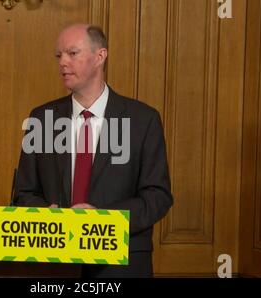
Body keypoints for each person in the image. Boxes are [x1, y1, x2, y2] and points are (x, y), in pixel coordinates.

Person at [13, 24, 173, 278]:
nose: (63, 62)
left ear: (100, 56)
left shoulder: (144, 119)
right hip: (54, 264)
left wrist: (102, 220)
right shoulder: (41, 118)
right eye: (59, 56)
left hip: (121, 266)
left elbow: (157, 196)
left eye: (72, 53)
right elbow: (23, 193)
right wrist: (45, 215)